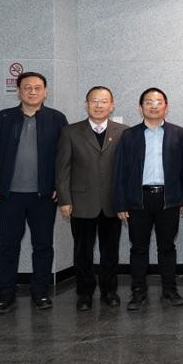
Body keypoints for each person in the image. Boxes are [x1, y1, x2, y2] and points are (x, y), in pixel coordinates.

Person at [0, 71, 68, 314]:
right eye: (27, 87)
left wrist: (59, 188)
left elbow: (64, 158)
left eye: (38, 87)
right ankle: (5, 295)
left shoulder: (56, 119)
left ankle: (40, 292)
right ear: (18, 91)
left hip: (44, 195)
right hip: (9, 195)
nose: (32, 91)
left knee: (43, 246)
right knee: (7, 246)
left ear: (45, 91)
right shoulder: (3, 117)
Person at [113, 88, 183, 310]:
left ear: (166, 106)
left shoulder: (178, 133)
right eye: (148, 102)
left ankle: (170, 290)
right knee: (138, 248)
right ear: (141, 107)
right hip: (138, 199)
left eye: (158, 102)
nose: (153, 106)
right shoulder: (129, 135)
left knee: (167, 247)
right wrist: (120, 203)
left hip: (168, 199)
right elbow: (120, 171)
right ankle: (138, 292)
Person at [55, 85, 127, 311]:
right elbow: (62, 169)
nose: (99, 105)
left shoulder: (123, 132)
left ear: (112, 105)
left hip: (112, 203)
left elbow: (128, 170)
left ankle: (109, 291)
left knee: (110, 251)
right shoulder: (71, 131)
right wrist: (65, 200)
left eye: (104, 101)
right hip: (81, 202)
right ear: (86, 104)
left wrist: (125, 201)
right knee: (82, 251)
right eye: (94, 101)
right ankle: (84, 293)